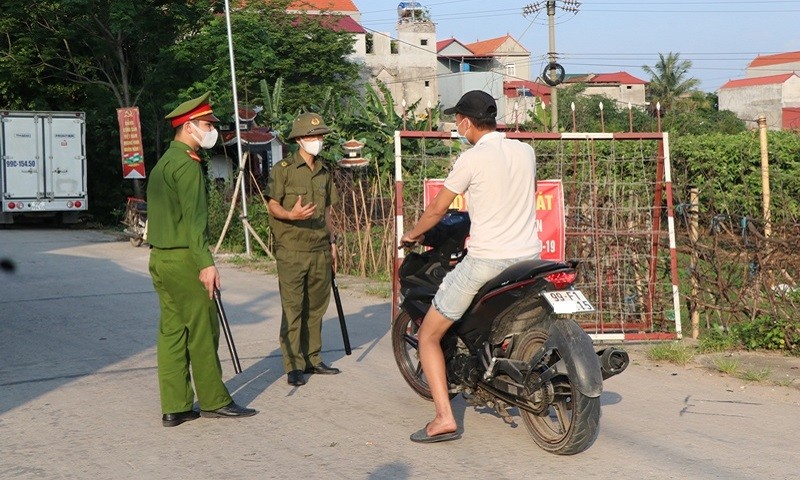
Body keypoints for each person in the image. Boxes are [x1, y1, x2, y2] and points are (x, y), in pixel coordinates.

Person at [400, 90, 542, 443]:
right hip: (529, 258)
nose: (456, 125)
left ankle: (444, 418)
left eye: (456, 119)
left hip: (487, 260)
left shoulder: (471, 158)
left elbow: (436, 210)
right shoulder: (525, 151)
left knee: (428, 336)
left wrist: (412, 235)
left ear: (465, 121)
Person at [148, 92, 257, 427]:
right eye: (208, 124)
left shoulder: (163, 163)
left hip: (160, 260)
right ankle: (213, 399)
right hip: (185, 260)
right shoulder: (187, 166)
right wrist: (206, 264)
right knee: (202, 330)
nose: (212, 129)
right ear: (189, 126)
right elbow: (195, 224)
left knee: (172, 332)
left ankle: (175, 406)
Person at [265, 112, 341, 387]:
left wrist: (332, 244)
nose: (317, 140)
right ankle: (294, 364)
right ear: (299, 139)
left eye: (320, 135)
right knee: (294, 307)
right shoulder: (283, 169)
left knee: (317, 307)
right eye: (312, 136)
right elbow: (272, 204)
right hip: (292, 249)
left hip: (319, 248)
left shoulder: (324, 171)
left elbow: (328, 212)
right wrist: (290, 215)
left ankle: (313, 358)